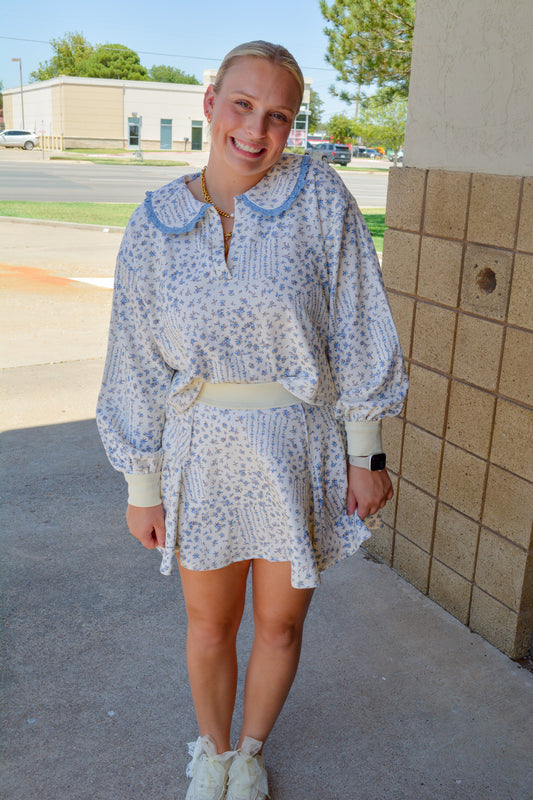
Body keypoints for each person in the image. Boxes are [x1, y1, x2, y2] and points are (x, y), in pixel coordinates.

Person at [96, 40, 408, 800]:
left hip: (297, 446)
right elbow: (134, 359)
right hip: (201, 452)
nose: (256, 129)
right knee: (209, 625)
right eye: (243, 105)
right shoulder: (155, 224)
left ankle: (250, 755)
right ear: (211, 103)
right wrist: (141, 484)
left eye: (279, 115)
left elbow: (357, 321)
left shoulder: (318, 197)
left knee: (280, 624)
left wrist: (365, 452)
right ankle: (211, 754)